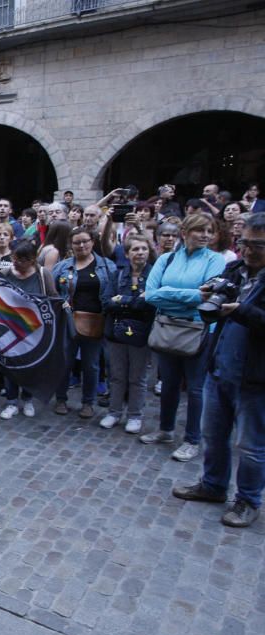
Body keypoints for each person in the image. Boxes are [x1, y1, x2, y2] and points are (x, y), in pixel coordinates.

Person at [172, 213, 265, 528]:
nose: (250, 251)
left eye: (258, 246)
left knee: (250, 446)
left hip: (255, 378)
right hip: (220, 367)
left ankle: (248, 500)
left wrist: (242, 311)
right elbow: (215, 305)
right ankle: (213, 485)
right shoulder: (235, 269)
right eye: (245, 243)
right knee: (213, 434)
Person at [141, 212, 227, 461]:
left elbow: (208, 297)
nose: (205, 235)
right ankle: (165, 430)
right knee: (168, 383)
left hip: (198, 330)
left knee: (196, 388)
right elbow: (150, 294)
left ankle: (192, 439)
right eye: (200, 230)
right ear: (185, 232)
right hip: (168, 327)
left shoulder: (215, 261)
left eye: (209, 231)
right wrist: (189, 295)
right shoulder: (167, 259)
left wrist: (168, 293)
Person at [52, 227, 117, 418]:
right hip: (68, 322)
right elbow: (52, 291)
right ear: (71, 245)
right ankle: (61, 398)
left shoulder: (106, 266)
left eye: (85, 241)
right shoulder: (62, 266)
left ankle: (88, 402)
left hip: (96, 321)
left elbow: (113, 292)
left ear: (92, 242)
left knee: (92, 365)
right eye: (77, 242)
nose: (81, 245)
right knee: (65, 362)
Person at [100, 235, 156, 434]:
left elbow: (150, 303)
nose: (139, 252)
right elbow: (106, 302)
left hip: (141, 334)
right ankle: (114, 412)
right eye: (135, 249)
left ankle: (135, 415)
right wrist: (134, 301)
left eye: (143, 249)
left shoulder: (154, 275)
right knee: (116, 375)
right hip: (117, 332)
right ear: (127, 253)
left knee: (137, 377)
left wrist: (122, 300)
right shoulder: (118, 274)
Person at [0, 240, 58, 419]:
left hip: (34, 330)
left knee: (31, 366)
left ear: (32, 260)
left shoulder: (42, 274)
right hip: (10, 328)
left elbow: (52, 297)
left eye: (23, 260)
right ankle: (11, 401)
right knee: (9, 365)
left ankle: (27, 399)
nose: (18, 263)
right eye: (15, 258)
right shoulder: (6, 273)